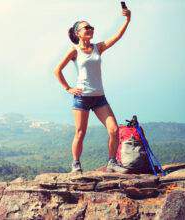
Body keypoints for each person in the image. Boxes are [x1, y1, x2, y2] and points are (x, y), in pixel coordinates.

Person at [53, 8, 132, 173]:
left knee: (114, 130)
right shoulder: (74, 51)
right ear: (78, 33)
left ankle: (112, 161)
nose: (90, 29)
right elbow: (57, 70)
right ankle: (76, 163)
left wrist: (127, 20)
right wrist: (68, 88)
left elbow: (117, 37)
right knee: (80, 132)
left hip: (99, 98)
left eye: (91, 27)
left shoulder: (98, 47)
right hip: (82, 98)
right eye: (86, 28)